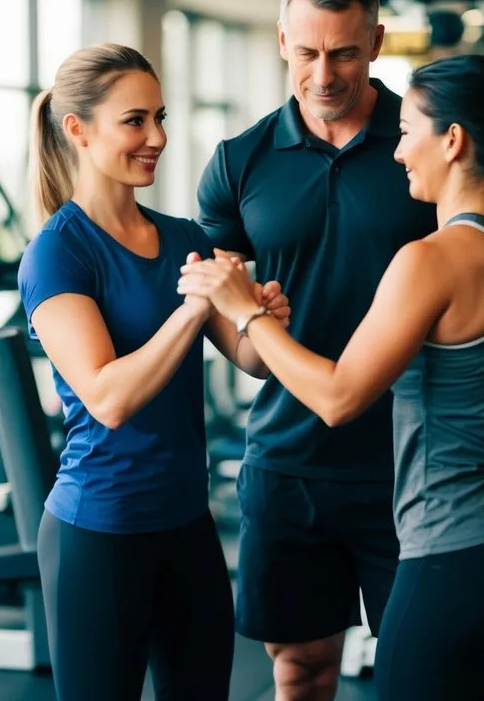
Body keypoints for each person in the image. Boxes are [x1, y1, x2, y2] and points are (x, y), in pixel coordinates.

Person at [179, 52, 484, 700]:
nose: (398, 151)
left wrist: (247, 316)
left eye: (407, 131)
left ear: (453, 141)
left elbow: (338, 397)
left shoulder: (429, 260)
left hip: (457, 555)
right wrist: (481, 405)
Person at [16, 42, 291, 700]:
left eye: (159, 117)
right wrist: (196, 306)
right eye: (134, 121)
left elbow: (250, 361)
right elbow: (107, 397)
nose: (157, 138)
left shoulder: (182, 238)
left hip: (187, 526)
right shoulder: (56, 254)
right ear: (77, 129)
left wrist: (262, 318)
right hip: (99, 533)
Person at [194, 0, 437, 698]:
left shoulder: (424, 146)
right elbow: (222, 309)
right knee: (299, 671)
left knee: (421, 674)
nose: (323, 73)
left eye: (343, 53)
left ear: (376, 42)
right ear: (280, 42)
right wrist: (254, 343)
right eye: (306, 53)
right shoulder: (238, 163)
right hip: (287, 462)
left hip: (414, 464)